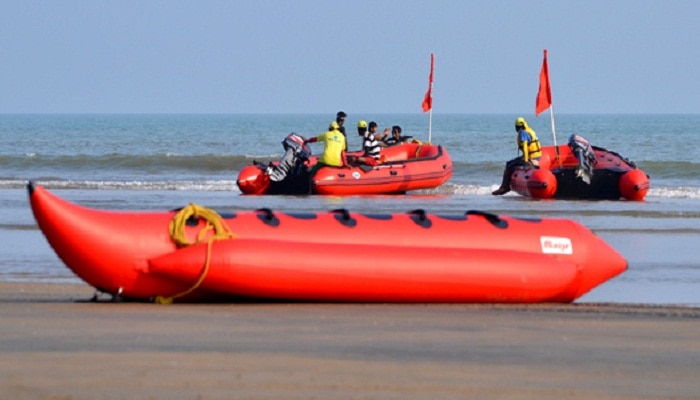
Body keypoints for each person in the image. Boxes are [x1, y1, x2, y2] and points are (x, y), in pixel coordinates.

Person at [492, 117, 542, 195]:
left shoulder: (523, 133)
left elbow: (525, 147)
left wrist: (525, 160)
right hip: (537, 157)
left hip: (530, 158)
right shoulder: (530, 130)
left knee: (509, 164)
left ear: (517, 126)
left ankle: (504, 187)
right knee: (513, 162)